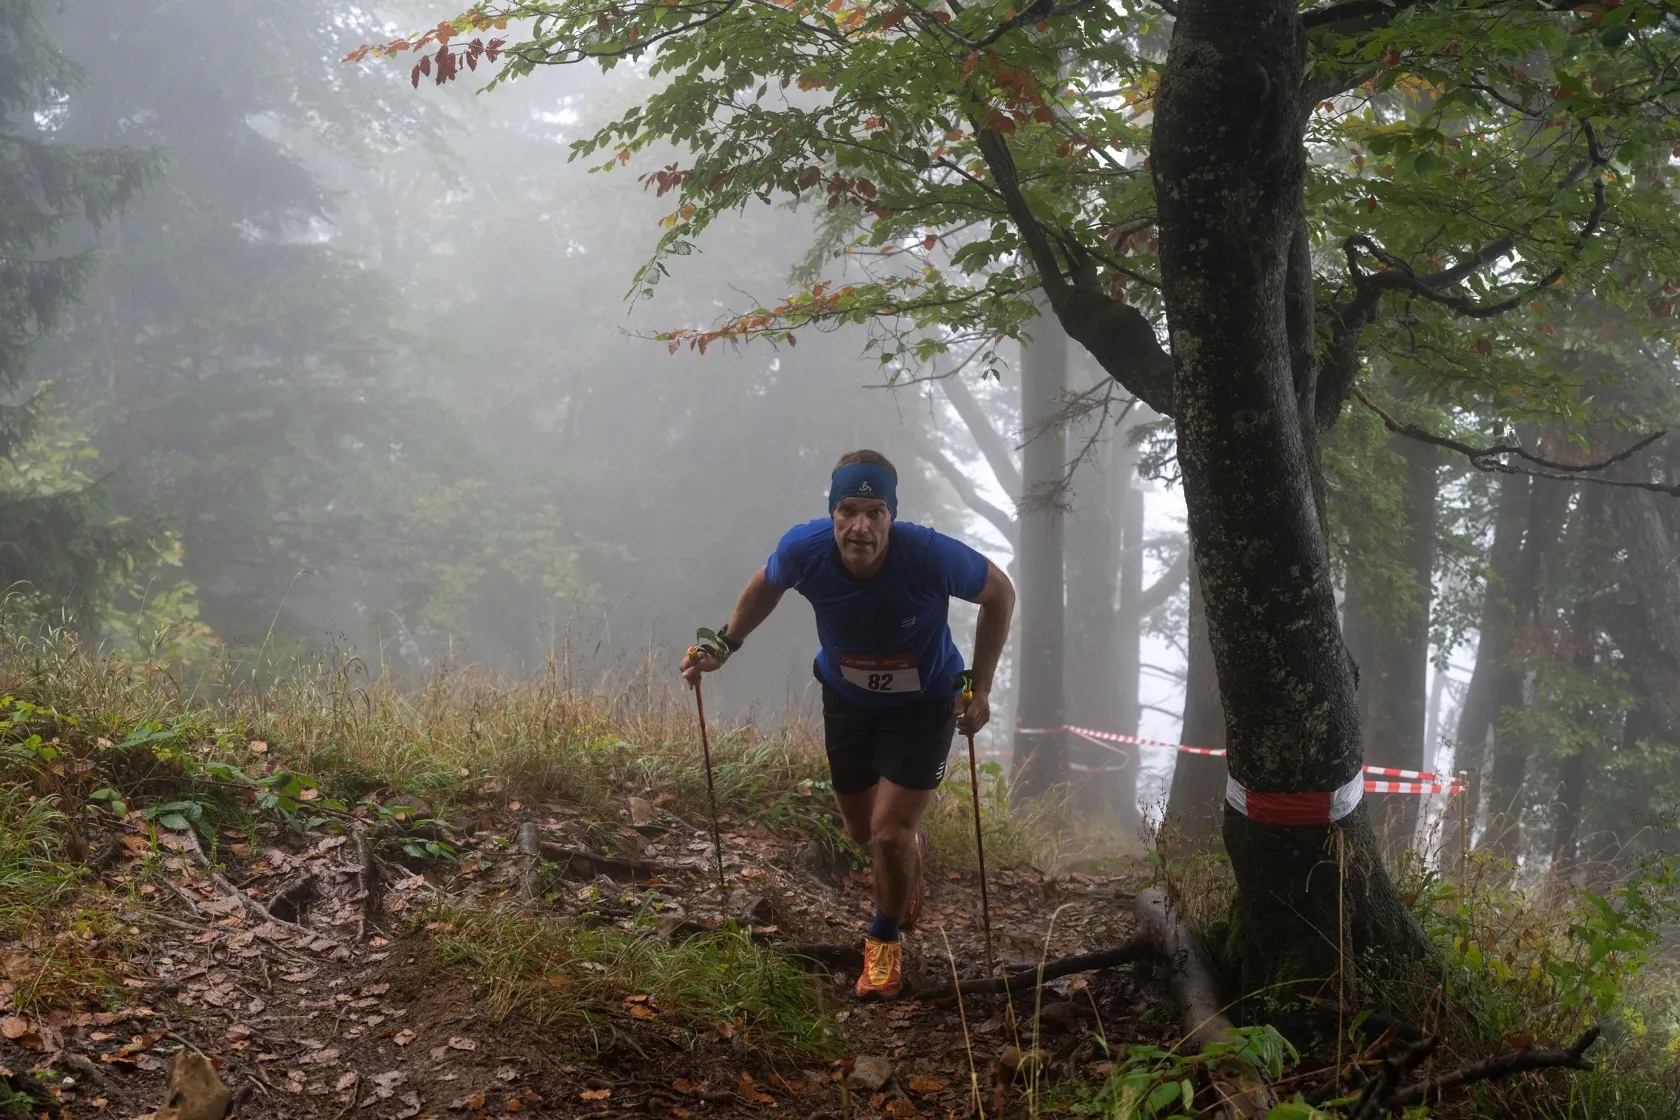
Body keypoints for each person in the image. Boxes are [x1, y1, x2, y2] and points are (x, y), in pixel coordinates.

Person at [679, 449, 1015, 999]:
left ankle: (882, 945)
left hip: (924, 703)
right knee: (863, 832)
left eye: (875, 512)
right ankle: (909, 849)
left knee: (886, 835)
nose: (860, 526)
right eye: (848, 510)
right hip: (847, 699)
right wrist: (725, 644)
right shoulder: (804, 549)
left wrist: (981, 683)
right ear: (832, 512)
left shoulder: (927, 554)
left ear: (892, 516)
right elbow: (767, 582)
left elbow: (999, 592)